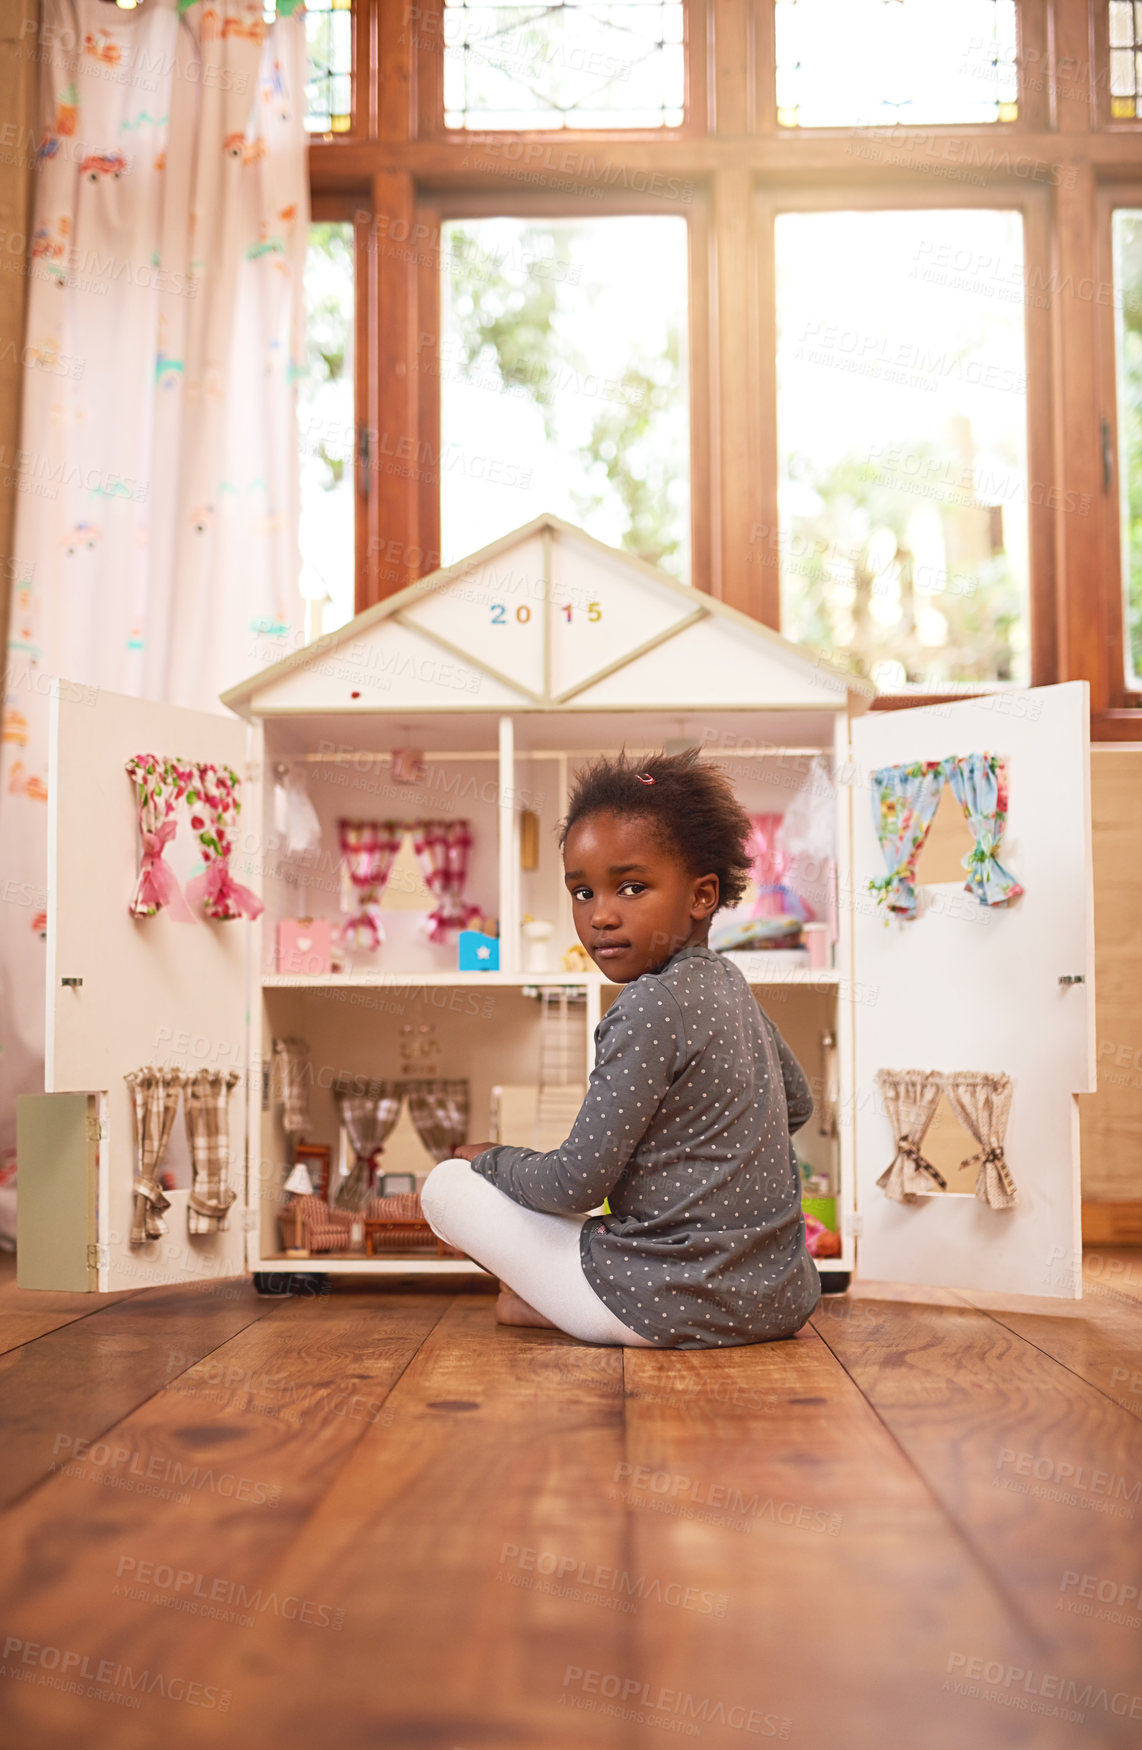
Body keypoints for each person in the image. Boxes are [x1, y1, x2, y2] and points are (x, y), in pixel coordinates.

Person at [420, 747, 821, 1349]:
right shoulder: (730, 984)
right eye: (582, 893)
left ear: (702, 896)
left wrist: (490, 1158)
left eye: (631, 887)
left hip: (662, 1304)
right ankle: (563, 1299)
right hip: (778, 1299)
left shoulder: (650, 1003)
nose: (601, 917)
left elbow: (576, 1185)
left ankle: (555, 1306)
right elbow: (797, 1104)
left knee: (446, 1186)